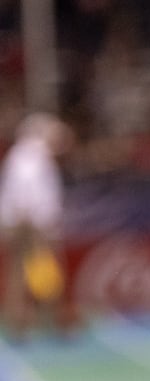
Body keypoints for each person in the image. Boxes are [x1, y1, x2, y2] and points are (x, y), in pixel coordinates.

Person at [0, 112, 75, 342]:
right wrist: (36, 227)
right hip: (31, 225)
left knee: (30, 272)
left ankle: (29, 322)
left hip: (26, 223)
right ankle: (47, 321)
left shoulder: (24, 155)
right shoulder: (32, 157)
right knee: (39, 271)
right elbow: (27, 197)